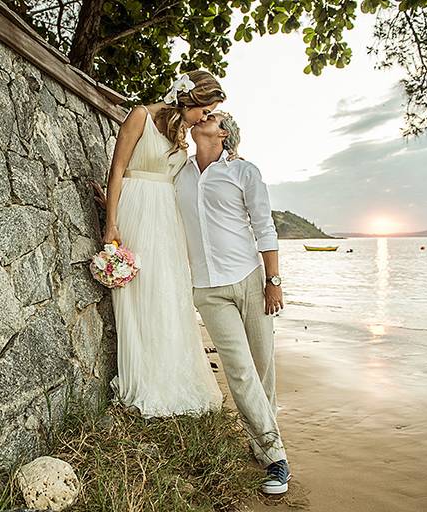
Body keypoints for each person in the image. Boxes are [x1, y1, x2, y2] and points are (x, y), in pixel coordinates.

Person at [175, 111, 291, 494]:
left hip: (249, 280)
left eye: (211, 116)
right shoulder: (180, 171)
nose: (201, 117)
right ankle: (277, 457)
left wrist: (272, 281)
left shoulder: (244, 172)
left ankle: (260, 440)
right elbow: (152, 201)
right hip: (208, 289)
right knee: (240, 371)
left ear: (222, 133)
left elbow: (264, 227)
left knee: (263, 368)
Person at [102, 70, 225, 418]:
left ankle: (170, 373)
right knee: (140, 292)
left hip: (167, 218)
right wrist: (111, 220)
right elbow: (118, 168)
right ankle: (143, 376)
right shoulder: (140, 115)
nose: (205, 117)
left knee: (167, 293)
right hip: (137, 210)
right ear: (191, 99)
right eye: (205, 109)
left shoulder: (182, 134)